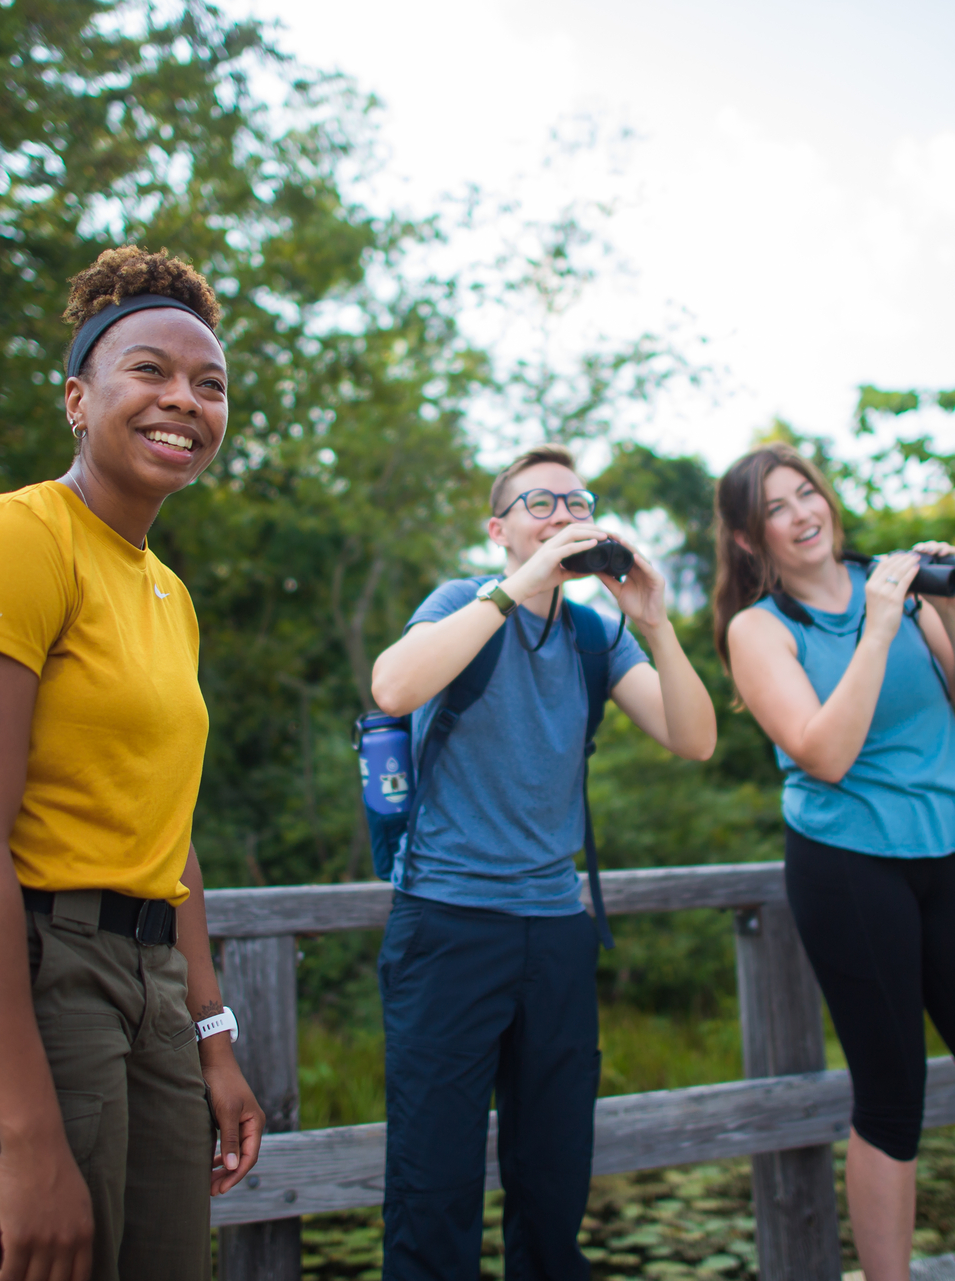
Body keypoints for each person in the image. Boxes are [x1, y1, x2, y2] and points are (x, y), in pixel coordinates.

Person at [0, 246, 265, 1281]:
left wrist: (210, 1038)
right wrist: (30, 1142)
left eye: (209, 385)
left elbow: (165, 844)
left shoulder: (169, 597)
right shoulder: (11, 542)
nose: (184, 399)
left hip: (148, 996)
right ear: (78, 399)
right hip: (22, 980)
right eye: (151, 372)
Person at [713, 443, 955, 1281]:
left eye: (806, 493)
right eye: (775, 507)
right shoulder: (759, 630)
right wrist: (877, 628)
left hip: (944, 860)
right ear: (748, 538)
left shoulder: (902, 594)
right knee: (892, 1101)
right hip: (847, 867)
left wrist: (949, 608)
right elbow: (825, 753)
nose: (801, 514)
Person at [367, 443, 718, 1281]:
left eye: (576, 502)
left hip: (557, 929)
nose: (564, 515)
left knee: (554, 1180)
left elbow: (695, 737)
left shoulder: (598, 635)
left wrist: (657, 621)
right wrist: (515, 589)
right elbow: (392, 685)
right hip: (448, 924)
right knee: (433, 1184)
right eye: (540, 504)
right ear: (500, 529)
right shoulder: (464, 601)